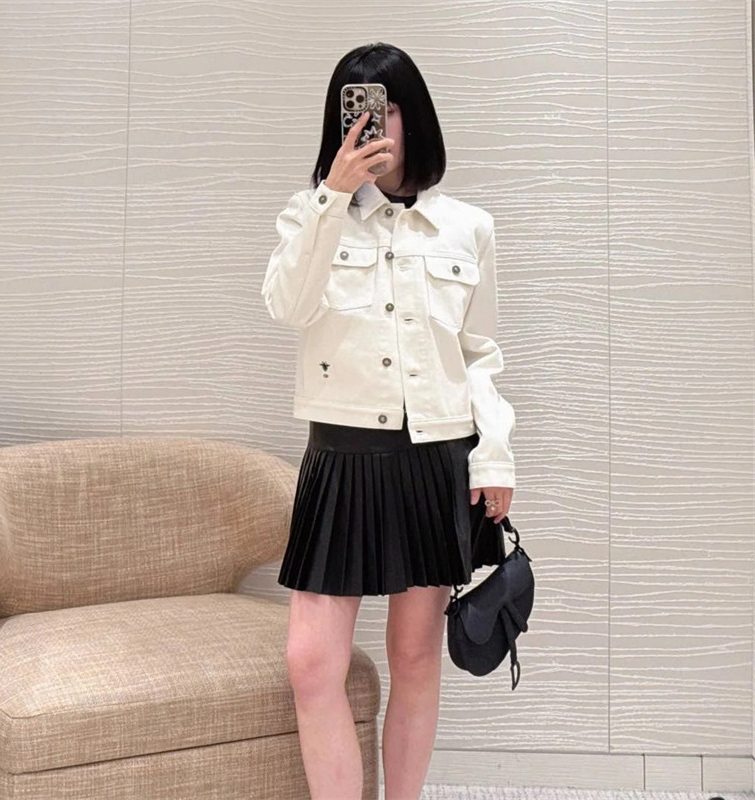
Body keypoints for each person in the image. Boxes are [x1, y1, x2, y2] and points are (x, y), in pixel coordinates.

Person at [261, 42, 516, 800]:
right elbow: (287, 306)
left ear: (414, 117)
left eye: (387, 106)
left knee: (414, 658)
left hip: (435, 456)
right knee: (312, 662)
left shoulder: (468, 227)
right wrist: (330, 197)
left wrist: (494, 456)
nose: (373, 123)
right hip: (341, 456)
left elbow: (479, 354)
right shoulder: (311, 215)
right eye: (358, 106)